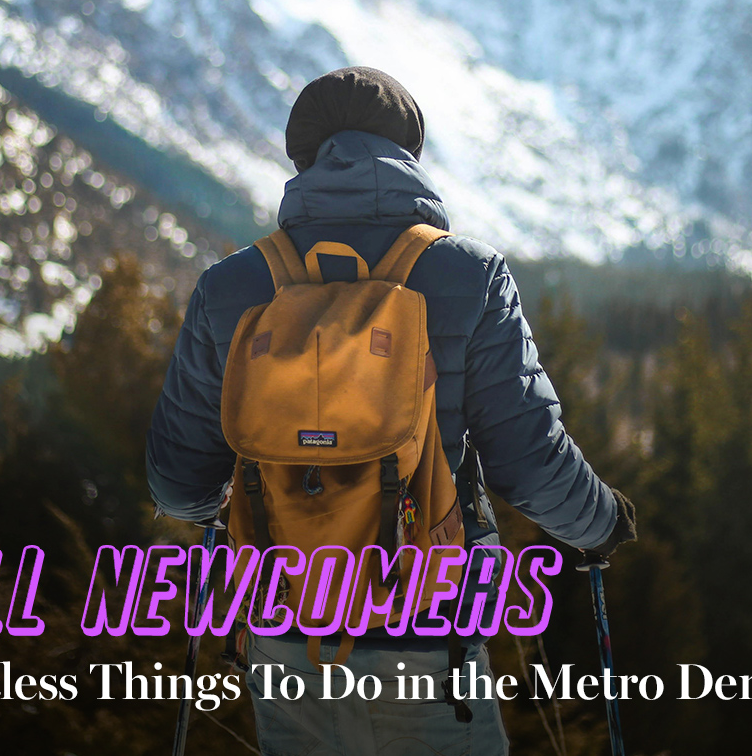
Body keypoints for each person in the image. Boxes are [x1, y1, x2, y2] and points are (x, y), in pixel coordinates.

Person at [146, 66, 637, 755]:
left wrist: (244, 506)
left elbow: (177, 484)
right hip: (429, 636)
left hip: (284, 632)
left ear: (305, 157)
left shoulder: (231, 287)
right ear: (408, 154)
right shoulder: (469, 275)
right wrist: (601, 524)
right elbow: (528, 463)